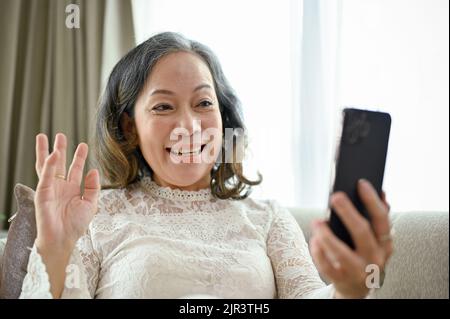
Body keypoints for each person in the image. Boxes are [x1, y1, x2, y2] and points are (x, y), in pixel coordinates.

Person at [20, 32, 393, 299]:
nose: (189, 127)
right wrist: (56, 250)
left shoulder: (267, 219)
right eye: (163, 106)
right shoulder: (96, 217)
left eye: (203, 103)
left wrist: (348, 290)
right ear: (129, 128)